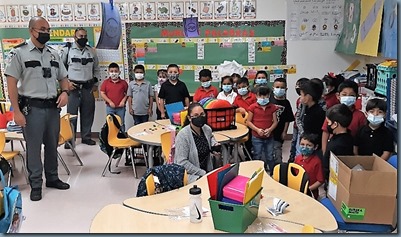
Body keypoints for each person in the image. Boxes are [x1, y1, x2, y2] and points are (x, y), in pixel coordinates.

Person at [5, 16, 70, 201]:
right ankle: (35, 184)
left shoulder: (53, 53)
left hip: (52, 108)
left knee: (52, 145)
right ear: (31, 30)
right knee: (33, 149)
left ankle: (52, 178)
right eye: (42, 29)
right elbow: (11, 85)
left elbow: (63, 77)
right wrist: (16, 111)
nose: (46, 33)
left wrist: (65, 92)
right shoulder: (18, 54)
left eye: (48, 29)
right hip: (31, 109)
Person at [61, 27, 99, 146]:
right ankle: (70, 140)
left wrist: (95, 84)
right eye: (80, 36)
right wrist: (66, 83)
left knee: (88, 114)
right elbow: (61, 69)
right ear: (75, 37)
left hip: (88, 88)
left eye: (84, 36)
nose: (83, 38)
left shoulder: (91, 51)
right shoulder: (68, 50)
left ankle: (86, 137)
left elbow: (96, 68)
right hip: (73, 88)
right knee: (71, 115)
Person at [174, 103, 220, 183]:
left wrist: (214, 144)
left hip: (206, 172)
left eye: (202, 114)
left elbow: (210, 137)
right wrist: (202, 173)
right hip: (189, 175)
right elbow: (182, 163)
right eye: (196, 115)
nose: (200, 117)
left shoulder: (206, 129)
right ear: (189, 118)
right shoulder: (183, 135)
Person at [321, 80, 366, 154]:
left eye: (351, 95)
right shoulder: (332, 112)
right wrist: (324, 151)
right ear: (338, 96)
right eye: (344, 95)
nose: (348, 97)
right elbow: (325, 132)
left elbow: (361, 136)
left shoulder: (360, 115)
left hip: (350, 151)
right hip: (333, 148)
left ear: (357, 97)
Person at [247, 86, 278, 172]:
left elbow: (275, 122)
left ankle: (272, 173)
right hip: (256, 137)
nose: (263, 98)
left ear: (269, 96)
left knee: (270, 155)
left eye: (265, 96)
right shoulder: (253, 107)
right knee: (257, 155)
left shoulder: (272, 107)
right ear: (256, 96)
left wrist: (270, 130)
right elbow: (248, 122)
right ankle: (257, 172)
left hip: (269, 136)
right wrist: (257, 130)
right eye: (260, 96)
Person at [322, 104, 354, 181]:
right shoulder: (347, 137)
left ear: (335, 124)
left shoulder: (340, 145)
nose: (328, 125)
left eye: (329, 122)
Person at [296, 80, 326, 156]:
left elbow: (317, 133)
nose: (300, 98)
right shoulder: (307, 108)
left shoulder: (318, 112)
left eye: (302, 95)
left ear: (308, 97)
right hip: (307, 142)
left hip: (313, 146)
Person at [270, 78, 294, 164]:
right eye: (277, 87)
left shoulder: (286, 103)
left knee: (277, 150)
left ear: (286, 89)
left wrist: (285, 132)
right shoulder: (269, 100)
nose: (279, 89)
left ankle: (278, 167)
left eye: (282, 87)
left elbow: (288, 120)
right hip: (268, 131)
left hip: (279, 132)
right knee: (268, 151)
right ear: (273, 88)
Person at [294, 133, 324, 200]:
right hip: (297, 191)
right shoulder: (297, 158)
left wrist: (307, 189)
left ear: (315, 147)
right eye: (302, 144)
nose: (305, 147)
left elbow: (320, 181)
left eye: (309, 145)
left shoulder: (317, 162)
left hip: (310, 194)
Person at [232, 77, 256, 159]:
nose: (241, 89)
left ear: (248, 86)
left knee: (250, 142)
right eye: (239, 88)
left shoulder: (253, 97)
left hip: (252, 123)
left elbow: (256, 109)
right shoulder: (237, 98)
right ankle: (245, 157)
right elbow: (233, 109)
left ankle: (251, 157)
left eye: (243, 87)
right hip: (241, 124)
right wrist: (238, 109)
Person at [100, 63, 128, 131]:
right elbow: (102, 93)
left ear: (119, 72)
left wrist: (123, 101)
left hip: (121, 108)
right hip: (110, 107)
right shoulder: (105, 82)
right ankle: (111, 138)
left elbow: (128, 93)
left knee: (121, 123)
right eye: (111, 71)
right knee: (110, 123)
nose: (114, 73)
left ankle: (122, 137)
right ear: (108, 72)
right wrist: (110, 102)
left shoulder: (123, 83)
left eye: (116, 71)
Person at [289, 77, 309, 162]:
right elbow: (298, 115)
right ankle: (292, 158)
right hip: (296, 125)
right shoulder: (299, 100)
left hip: (303, 128)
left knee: (299, 145)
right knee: (294, 142)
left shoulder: (305, 100)